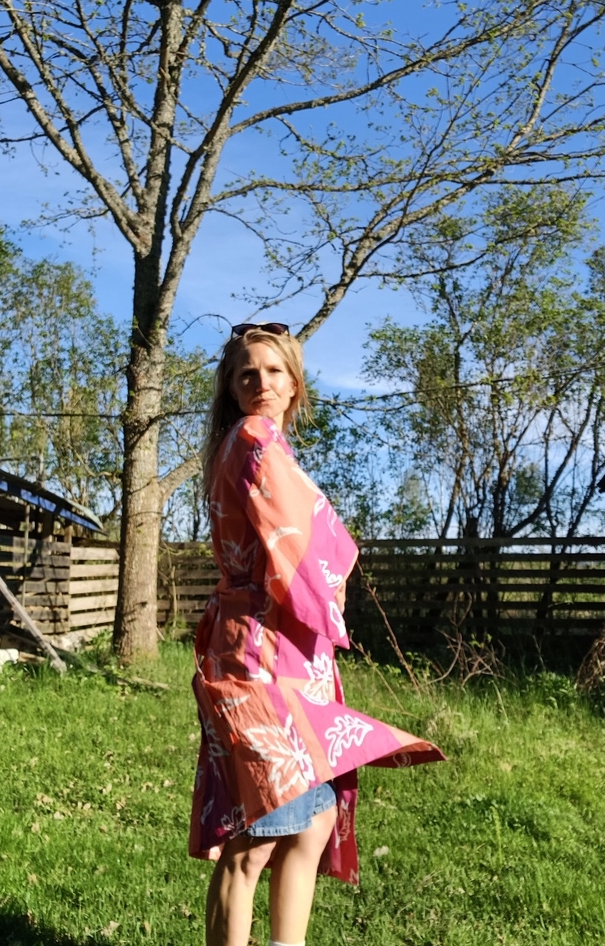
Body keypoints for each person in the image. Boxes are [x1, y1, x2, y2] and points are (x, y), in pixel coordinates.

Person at [189, 323, 445, 946]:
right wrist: (336, 571)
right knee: (257, 835)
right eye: (247, 373)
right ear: (232, 388)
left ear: (295, 384)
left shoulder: (257, 445)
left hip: (279, 651)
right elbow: (307, 545)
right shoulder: (253, 438)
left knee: (312, 820)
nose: (261, 382)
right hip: (260, 655)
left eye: (274, 371)